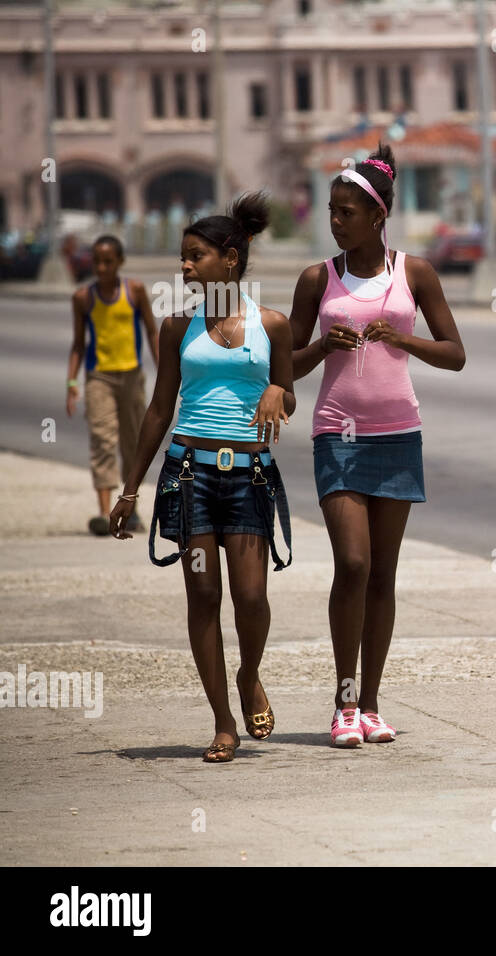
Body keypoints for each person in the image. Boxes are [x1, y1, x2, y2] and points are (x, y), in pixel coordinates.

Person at [108, 192, 296, 763]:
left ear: (231, 258)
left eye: (195, 256)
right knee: (204, 595)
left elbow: (288, 396)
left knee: (252, 598)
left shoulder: (273, 325)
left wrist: (274, 389)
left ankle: (248, 675)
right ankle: (221, 722)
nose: (184, 267)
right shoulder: (175, 327)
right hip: (188, 477)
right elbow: (160, 408)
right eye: (182, 258)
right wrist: (131, 487)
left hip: (249, 477)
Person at [289, 143, 465, 747]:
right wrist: (321, 347)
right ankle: (341, 704)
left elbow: (456, 354)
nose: (335, 222)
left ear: (377, 217)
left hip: (398, 435)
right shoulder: (319, 278)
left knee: (384, 576)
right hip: (337, 434)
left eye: (346, 213)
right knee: (353, 565)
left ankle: (369, 705)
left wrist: (403, 341)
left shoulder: (414, 273)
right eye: (332, 211)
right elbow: (283, 365)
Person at [66, 235, 160, 535]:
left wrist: (166, 372)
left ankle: (130, 508)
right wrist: (71, 382)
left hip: (132, 376)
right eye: (97, 261)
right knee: (102, 441)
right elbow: (79, 345)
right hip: (99, 378)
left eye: (108, 261)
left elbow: (152, 332)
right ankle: (105, 512)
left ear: (120, 262)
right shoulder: (83, 297)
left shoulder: (135, 290)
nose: (102, 267)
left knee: (133, 443)